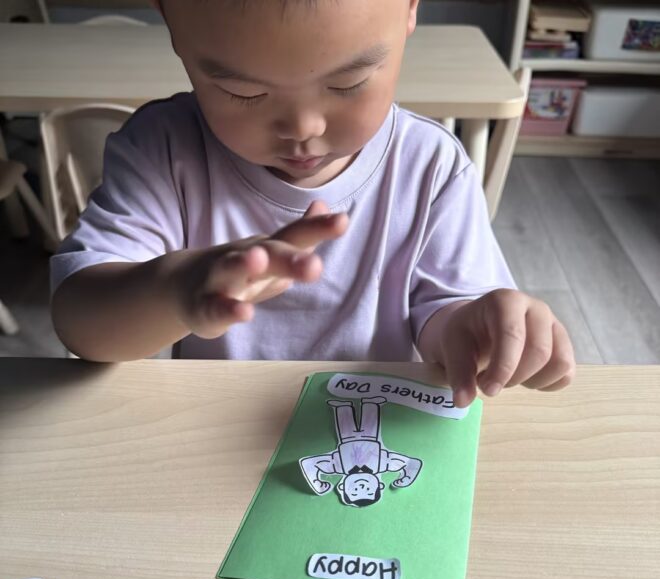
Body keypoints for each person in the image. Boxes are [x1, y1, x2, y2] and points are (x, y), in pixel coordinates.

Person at [50, 0, 575, 408]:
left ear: (410, 9)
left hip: (367, 434)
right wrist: (177, 289)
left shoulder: (431, 166)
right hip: (210, 438)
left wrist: (471, 326)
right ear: (170, 21)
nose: (303, 129)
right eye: (244, 92)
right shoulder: (163, 151)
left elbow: (446, 313)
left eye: (348, 83)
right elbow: (81, 321)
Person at [299, 397, 422, 508]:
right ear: (379, 485)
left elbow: (310, 464)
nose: (361, 487)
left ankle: (342, 407)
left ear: (342, 487)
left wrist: (318, 484)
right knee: (370, 421)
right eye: (369, 491)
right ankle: (371, 404)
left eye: (354, 491)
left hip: (346, 437)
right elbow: (410, 463)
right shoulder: (382, 464)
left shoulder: (338, 466)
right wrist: (405, 478)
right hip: (371, 435)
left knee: (345, 423)